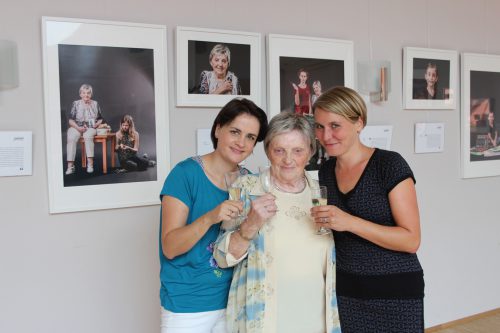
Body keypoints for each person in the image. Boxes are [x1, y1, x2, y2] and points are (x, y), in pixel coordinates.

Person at [214, 112, 341, 333]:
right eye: (279, 150)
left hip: (317, 318)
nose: (288, 159)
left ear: (310, 152)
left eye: (298, 151)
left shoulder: (322, 191)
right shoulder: (247, 188)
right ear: (268, 151)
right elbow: (222, 258)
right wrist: (250, 225)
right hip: (264, 320)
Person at [312, 86, 425, 332]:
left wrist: (349, 222)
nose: (325, 135)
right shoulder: (325, 172)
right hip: (346, 291)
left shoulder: (389, 164)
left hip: (395, 292)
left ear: (359, 123)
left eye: (335, 125)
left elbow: (411, 240)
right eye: (319, 126)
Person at [159, 98, 268, 333]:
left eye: (250, 137)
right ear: (218, 129)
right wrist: (211, 217)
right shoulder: (185, 174)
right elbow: (170, 246)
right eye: (235, 132)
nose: (242, 143)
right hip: (189, 305)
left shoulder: (250, 181)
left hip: (236, 301)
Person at [65, 83, 103, 175]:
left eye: (88, 93)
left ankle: (90, 164)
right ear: (80, 94)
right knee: (71, 137)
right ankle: (70, 167)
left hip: (91, 127)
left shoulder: (95, 103)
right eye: (84, 93)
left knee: (88, 136)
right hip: (77, 126)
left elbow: (100, 119)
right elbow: (70, 121)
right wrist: (78, 127)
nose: (86, 95)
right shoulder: (76, 104)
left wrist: (96, 124)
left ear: (91, 94)